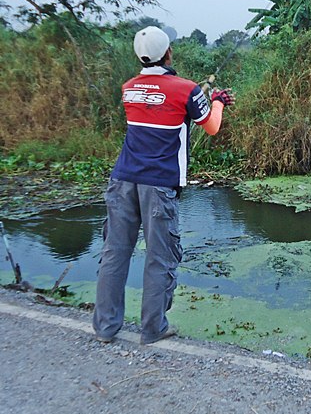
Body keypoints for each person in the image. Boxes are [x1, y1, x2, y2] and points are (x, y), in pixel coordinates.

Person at [93, 26, 235, 344]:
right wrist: (218, 101)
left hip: (122, 181)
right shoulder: (186, 89)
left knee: (115, 253)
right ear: (169, 52)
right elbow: (211, 127)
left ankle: (105, 327)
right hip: (158, 186)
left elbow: (161, 104)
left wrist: (196, 97)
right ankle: (152, 328)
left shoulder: (129, 88)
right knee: (160, 257)